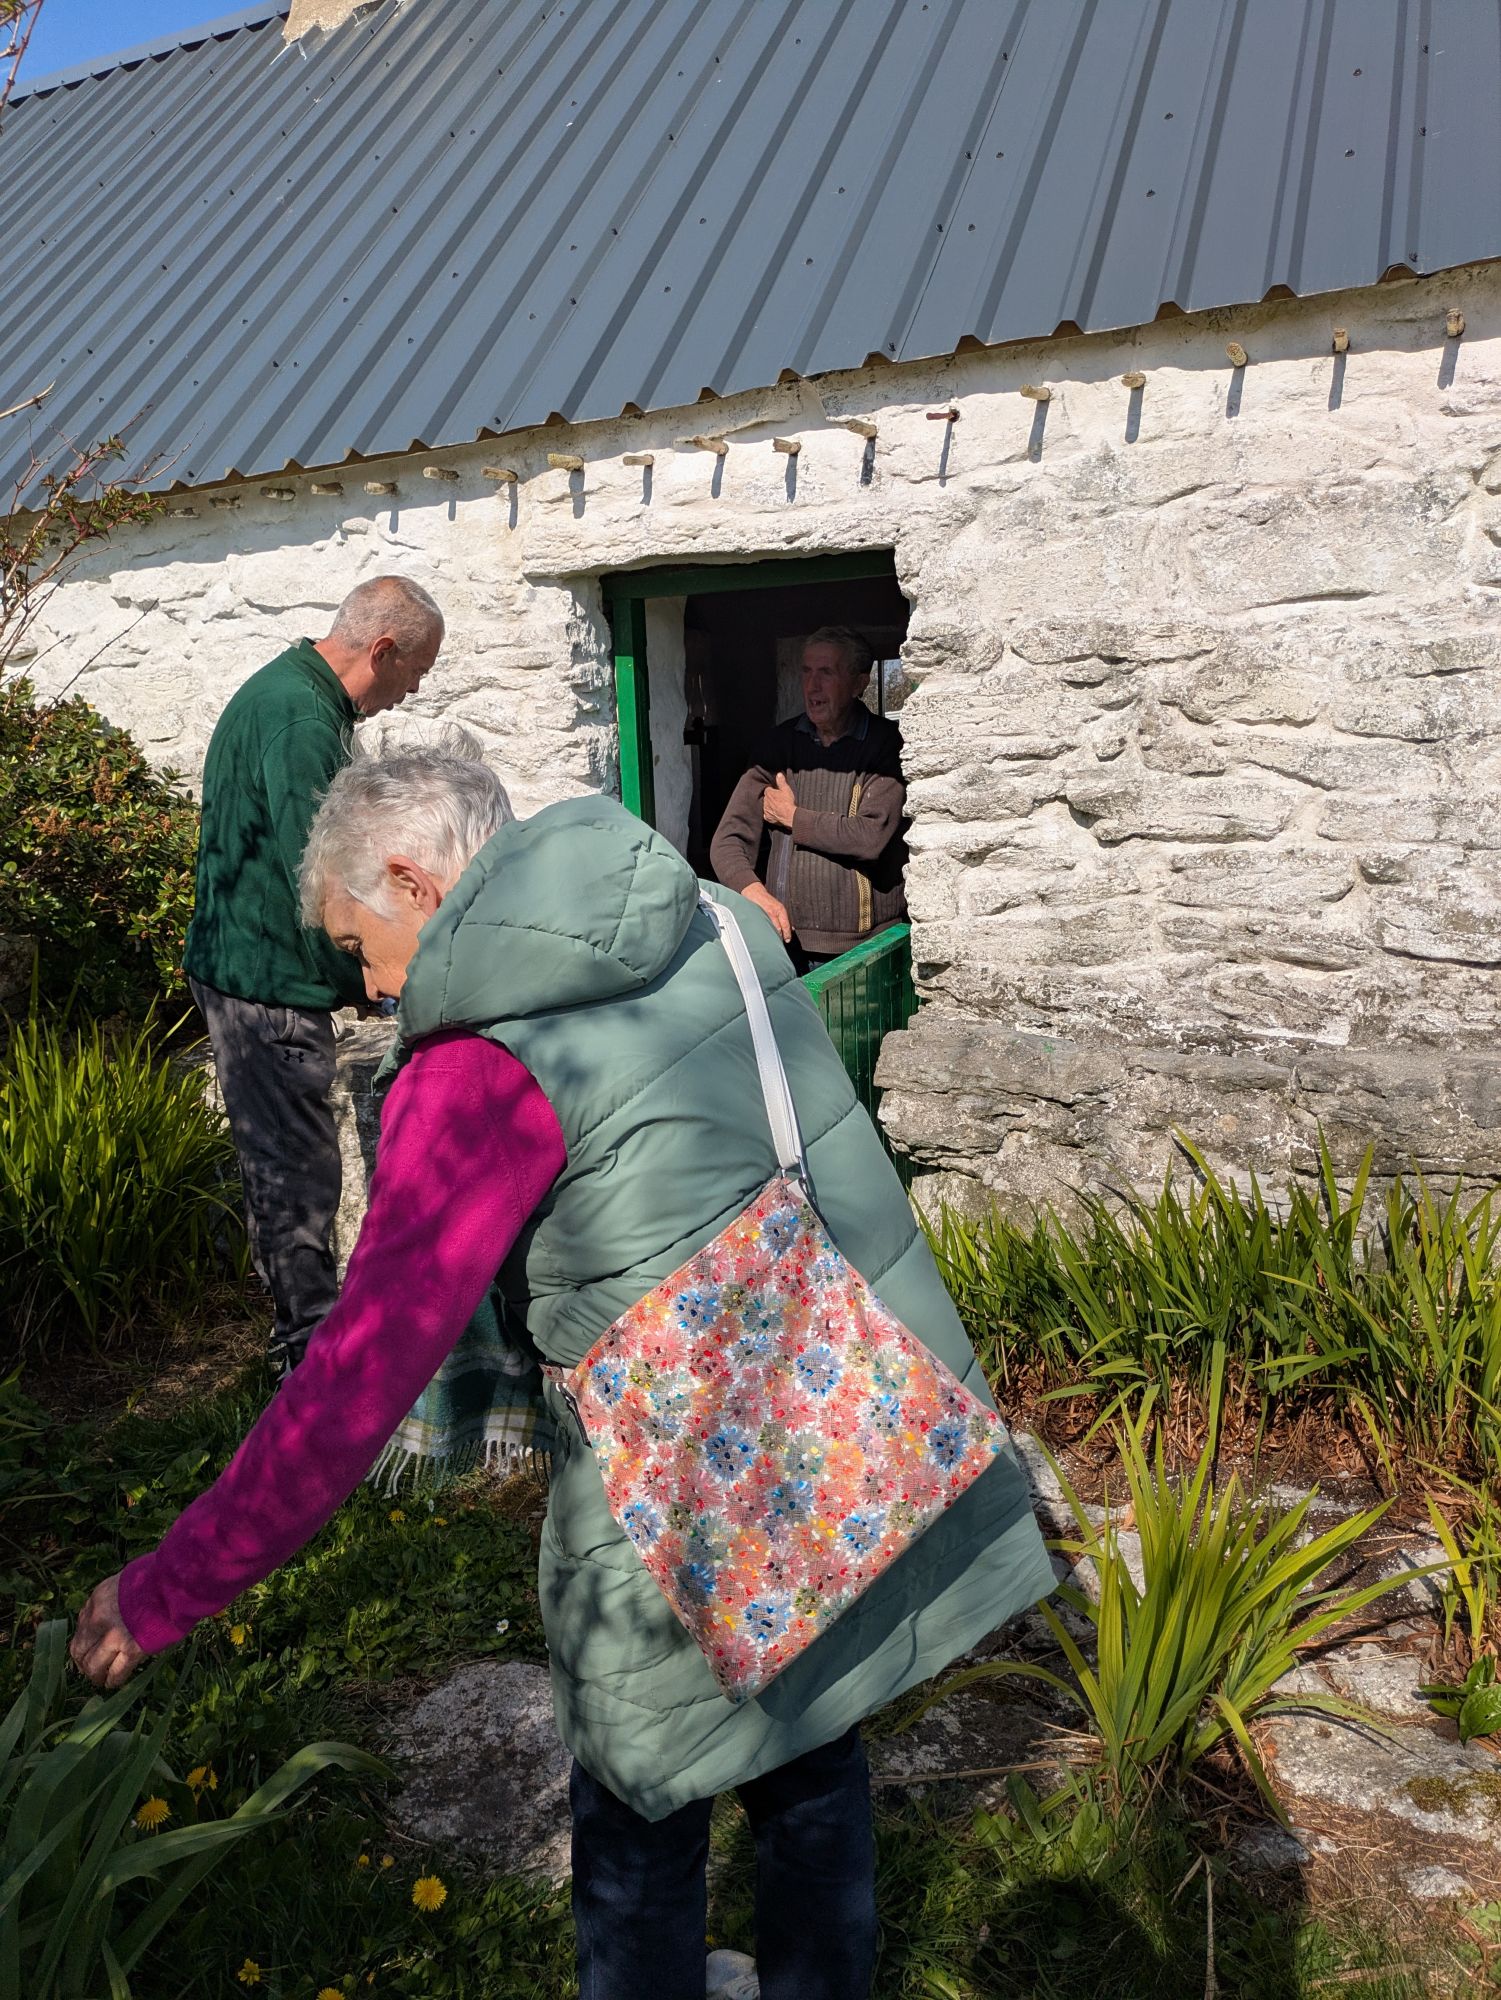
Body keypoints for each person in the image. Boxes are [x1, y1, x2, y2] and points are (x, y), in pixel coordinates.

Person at [71, 742, 1053, 2000]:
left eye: (361, 950)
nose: (370, 991)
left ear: (415, 882)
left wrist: (166, 1586)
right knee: (811, 1748)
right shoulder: (704, 917)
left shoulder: (480, 1061)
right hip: (819, 1407)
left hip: (674, 1469)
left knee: (639, 1798)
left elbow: (355, 1378)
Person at [183, 574, 445, 1372]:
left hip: (262, 966)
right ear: (383, 650)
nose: (412, 690)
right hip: (261, 979)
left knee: (293, 1158)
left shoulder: (301, 696)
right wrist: (374, 970)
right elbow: (329, 872)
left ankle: (310, 1343)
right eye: (416, 671)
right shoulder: (299, 715)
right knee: (294, 1168)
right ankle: (305, 1356)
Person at [710, 625, 907, 970]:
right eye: (806, 671)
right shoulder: (777, 746)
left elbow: (870, 836)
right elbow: (728, 840)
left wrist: (792, 817)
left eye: (826, 672)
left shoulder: (886, 744)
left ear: (859, 683)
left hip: (867, 951)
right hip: (784, 942)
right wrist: (753, 892)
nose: (812, 685)